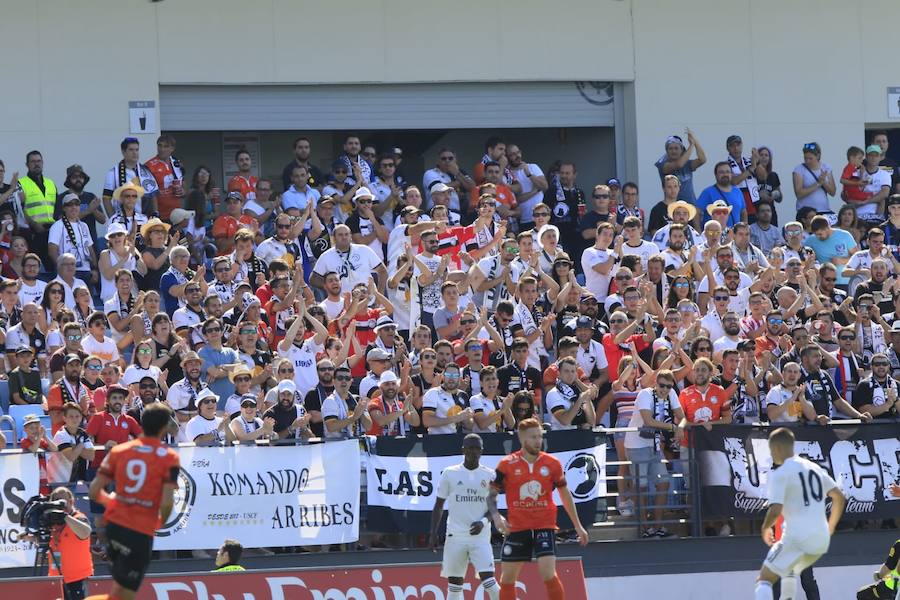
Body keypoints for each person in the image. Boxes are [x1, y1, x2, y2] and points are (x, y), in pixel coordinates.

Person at [488, 418, 589, 600]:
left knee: (548, 573)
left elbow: (565, 494)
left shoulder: (552, 463)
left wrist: (578, 526)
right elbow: (491, 494)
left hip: (545, 526)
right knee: (507, 579)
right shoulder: (506, 464)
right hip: (517, 528)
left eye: (539, 437)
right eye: (533, 437)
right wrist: (496, 517)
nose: (538, 441)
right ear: (522, 438)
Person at [86, 404, 180, 600]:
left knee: (120, 592)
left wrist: (113, 503)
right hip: (139, 531)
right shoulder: (169, 458)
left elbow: (95, 491)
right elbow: (167, 503)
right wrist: (159, 522)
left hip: (113, 528)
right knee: (126, 595)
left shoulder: (119, 451)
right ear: (163, 427)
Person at [755, 427, 845, 600]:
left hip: (797, 536)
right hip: (819, 540)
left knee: (764, 579)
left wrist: (766, 528)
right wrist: (831, 526)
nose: (772, 455)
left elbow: (775, 510)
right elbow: (839, 497)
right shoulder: (815, 468)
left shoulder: (781, 473)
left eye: (772, 450)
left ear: (778, 449)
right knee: (790, 574)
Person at [430, 434, 500, 600]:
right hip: (455, 536)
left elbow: (493, 508)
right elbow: (439, 505)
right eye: (470, 447)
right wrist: (433, 533)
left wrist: (483, 522)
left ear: (482, 451)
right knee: (454, 586)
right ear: (463, 449)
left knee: (489, 581)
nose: (473, 451)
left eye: (477, 448)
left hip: (480, 538)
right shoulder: (450, 473)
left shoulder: (490, 475)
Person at [45, 486, 93, 600]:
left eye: (62, 500)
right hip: (57, 579)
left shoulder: (79, 518)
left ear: (71, 501)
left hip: (78, 578)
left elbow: (86, 532)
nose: (59, 504)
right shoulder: (53, 522)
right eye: (56, 500)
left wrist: (65, 516)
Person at [103, 137, 159, 217]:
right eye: (131, 150)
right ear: (123, 152)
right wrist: (113, 219)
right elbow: (106, 198)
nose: (135, 153)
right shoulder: (113, 173)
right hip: (123, 220)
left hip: (145, 219)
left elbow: (153, 196)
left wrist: (155, 214)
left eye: (137, 150)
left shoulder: (146, 171)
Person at [654, 129, 707, 203]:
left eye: (676, 148)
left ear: (682, 150)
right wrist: (691, 145)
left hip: (690, 206)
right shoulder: (663, 164)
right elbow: (679, 164)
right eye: (670, 148)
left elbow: (702, 160)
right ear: (667, 151)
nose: (673, 151)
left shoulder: (687, 164)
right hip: (672, 207)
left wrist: (695, 141)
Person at [696, 161, 747, 228]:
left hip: (734, 235)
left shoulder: (737, 191)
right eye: (721, 172)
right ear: (716, 175)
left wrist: (744, 230)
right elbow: (696, 213)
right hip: (714, 235)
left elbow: (743, 212)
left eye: (727, 172)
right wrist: (698, 233)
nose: (725, 174)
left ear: (731, 174)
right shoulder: (708, 192)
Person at [792, 142, 836, 219]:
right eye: (805, 158)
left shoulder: (826, 168)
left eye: (810, 158)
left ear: (818, 156)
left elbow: (833, 192)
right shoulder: (799, 169)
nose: (807, 161)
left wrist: (824, 182)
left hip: (824, 210)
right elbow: (799, 194)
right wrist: (818, 184)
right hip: (805, 212)